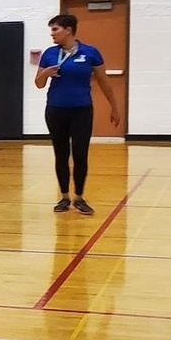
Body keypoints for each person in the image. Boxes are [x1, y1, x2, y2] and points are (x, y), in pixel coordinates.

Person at [35, 13, 121, 216]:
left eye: (55, 29)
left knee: (80, 154)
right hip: (56, 110)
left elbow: (105, 82)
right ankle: (64, 197)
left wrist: (114, 108)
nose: (52, 34)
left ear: (68, 30)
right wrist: (45, 73)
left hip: (81, 110)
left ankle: (79, 197)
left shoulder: (90, 53)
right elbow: (38, 84)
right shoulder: (49, 54)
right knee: (61, 153)